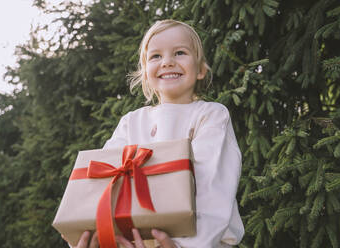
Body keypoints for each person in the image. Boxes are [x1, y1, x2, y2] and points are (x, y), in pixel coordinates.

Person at [67, 19, 244, 248]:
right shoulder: (131, 122)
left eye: (180, 52)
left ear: (200, 70)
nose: (167, 62)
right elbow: (105, 181)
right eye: (156, 56)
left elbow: (213, 186)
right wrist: (87, 230)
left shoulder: (210, 115)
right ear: (145, 74)